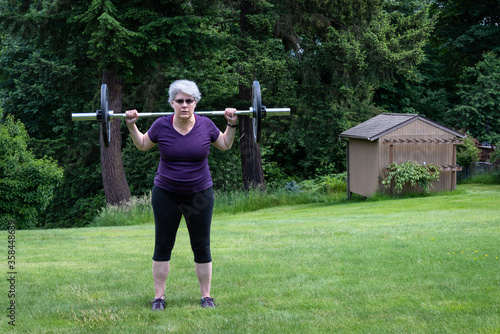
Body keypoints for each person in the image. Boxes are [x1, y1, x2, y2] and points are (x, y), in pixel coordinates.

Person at [125, 79, 237, 310]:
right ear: (171, 103)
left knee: (201, 245)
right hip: (166, 194)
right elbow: (144, 145)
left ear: (195, 103)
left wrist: (232, 124)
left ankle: (206, 296)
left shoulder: (205, 125)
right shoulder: (161, 125)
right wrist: (131, 125)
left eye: (189, 100)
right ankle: (159, 297)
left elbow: (225, 144)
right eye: (180, 101)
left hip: (200, 196)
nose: (184, 105)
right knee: (163, 245)